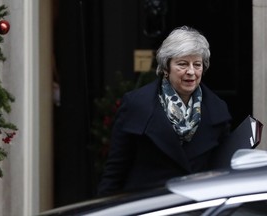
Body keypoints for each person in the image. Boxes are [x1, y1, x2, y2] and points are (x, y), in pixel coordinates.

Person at [97, 25, 232, 196]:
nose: (191, 71)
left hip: (197, 207)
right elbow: (115, 171)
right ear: (166, 68)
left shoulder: (217, 110)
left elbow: (224, 171)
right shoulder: (136, 105)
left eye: (197, 64)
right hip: (151, 206)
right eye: (182, 64)